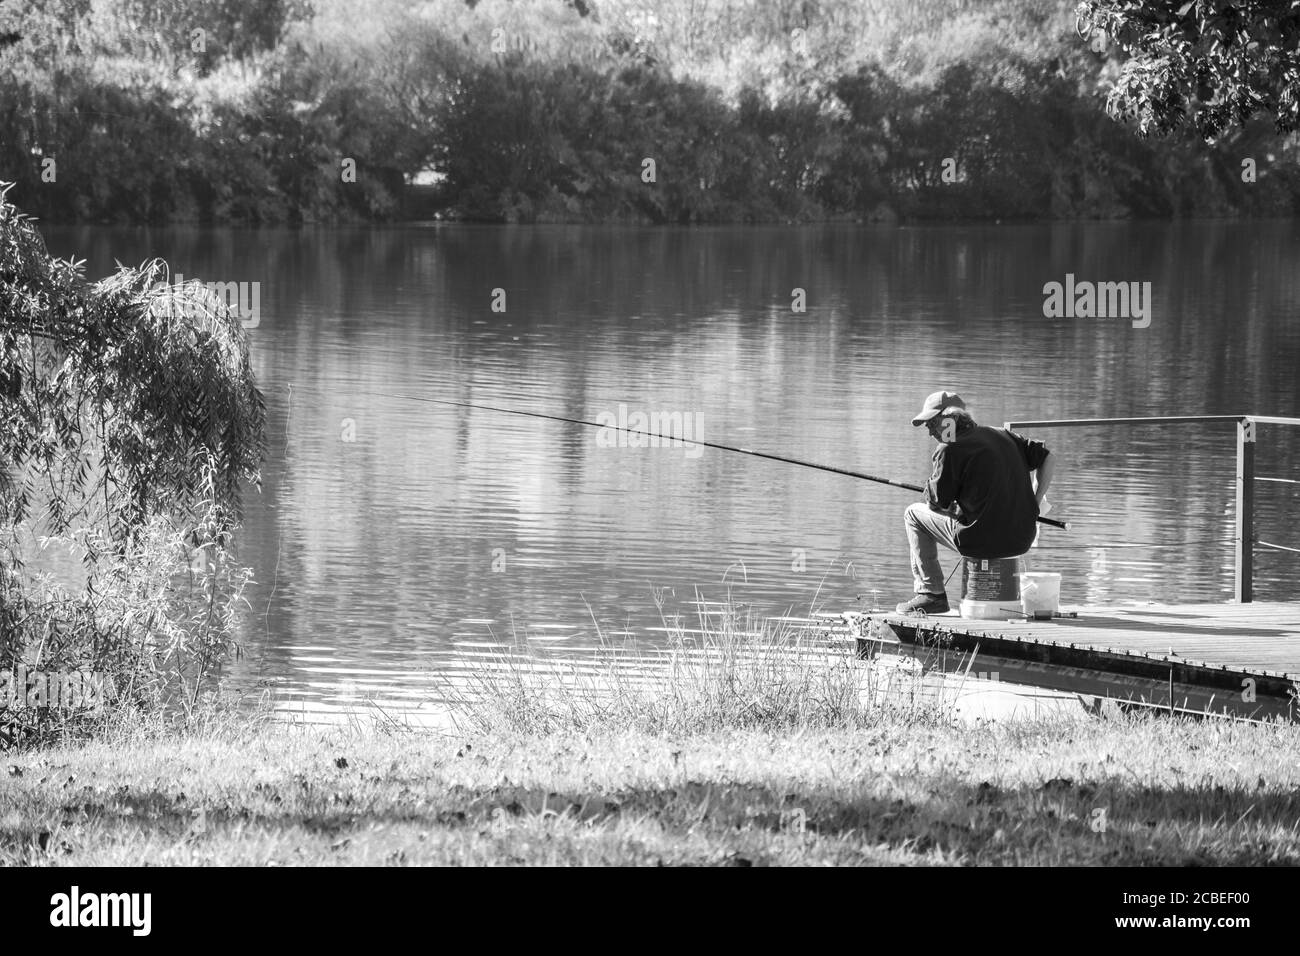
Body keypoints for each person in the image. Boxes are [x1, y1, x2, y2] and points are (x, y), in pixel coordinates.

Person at [896, 390, 1055, 615]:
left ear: (949, 419)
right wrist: (1034, 504)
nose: (930, 431)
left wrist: (940, 469)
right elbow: (1048, 457)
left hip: (980, 541)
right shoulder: (1004, 435)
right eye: (927, 426)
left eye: (932, 423)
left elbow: (935, 504)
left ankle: (931, 595)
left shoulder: (949, 449)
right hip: (1022, 538)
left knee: (913, 514)